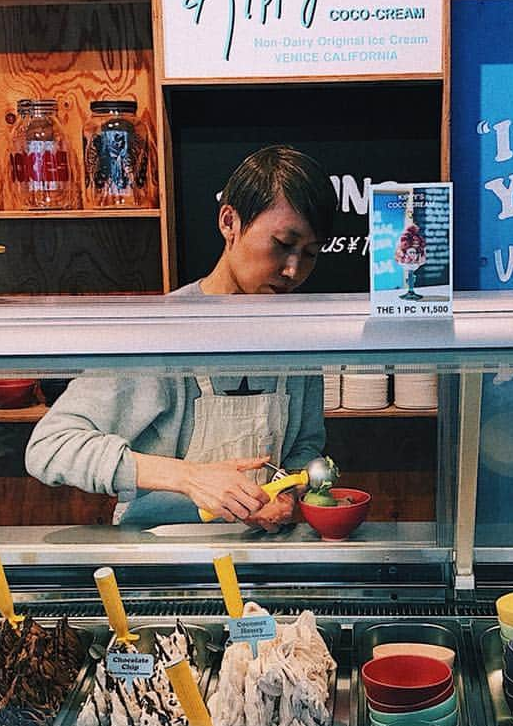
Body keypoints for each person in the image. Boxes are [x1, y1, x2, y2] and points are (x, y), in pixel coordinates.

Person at [25, 145, 336, 529]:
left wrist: (286, 492)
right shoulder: (162, 332)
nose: (293, 270)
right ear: (229, 222)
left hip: (262, 552)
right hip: (163, 553)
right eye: (283, 245)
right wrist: (190, 478)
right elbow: (50, 447)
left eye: (310, 253)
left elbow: (305, 446)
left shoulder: (298, 338)